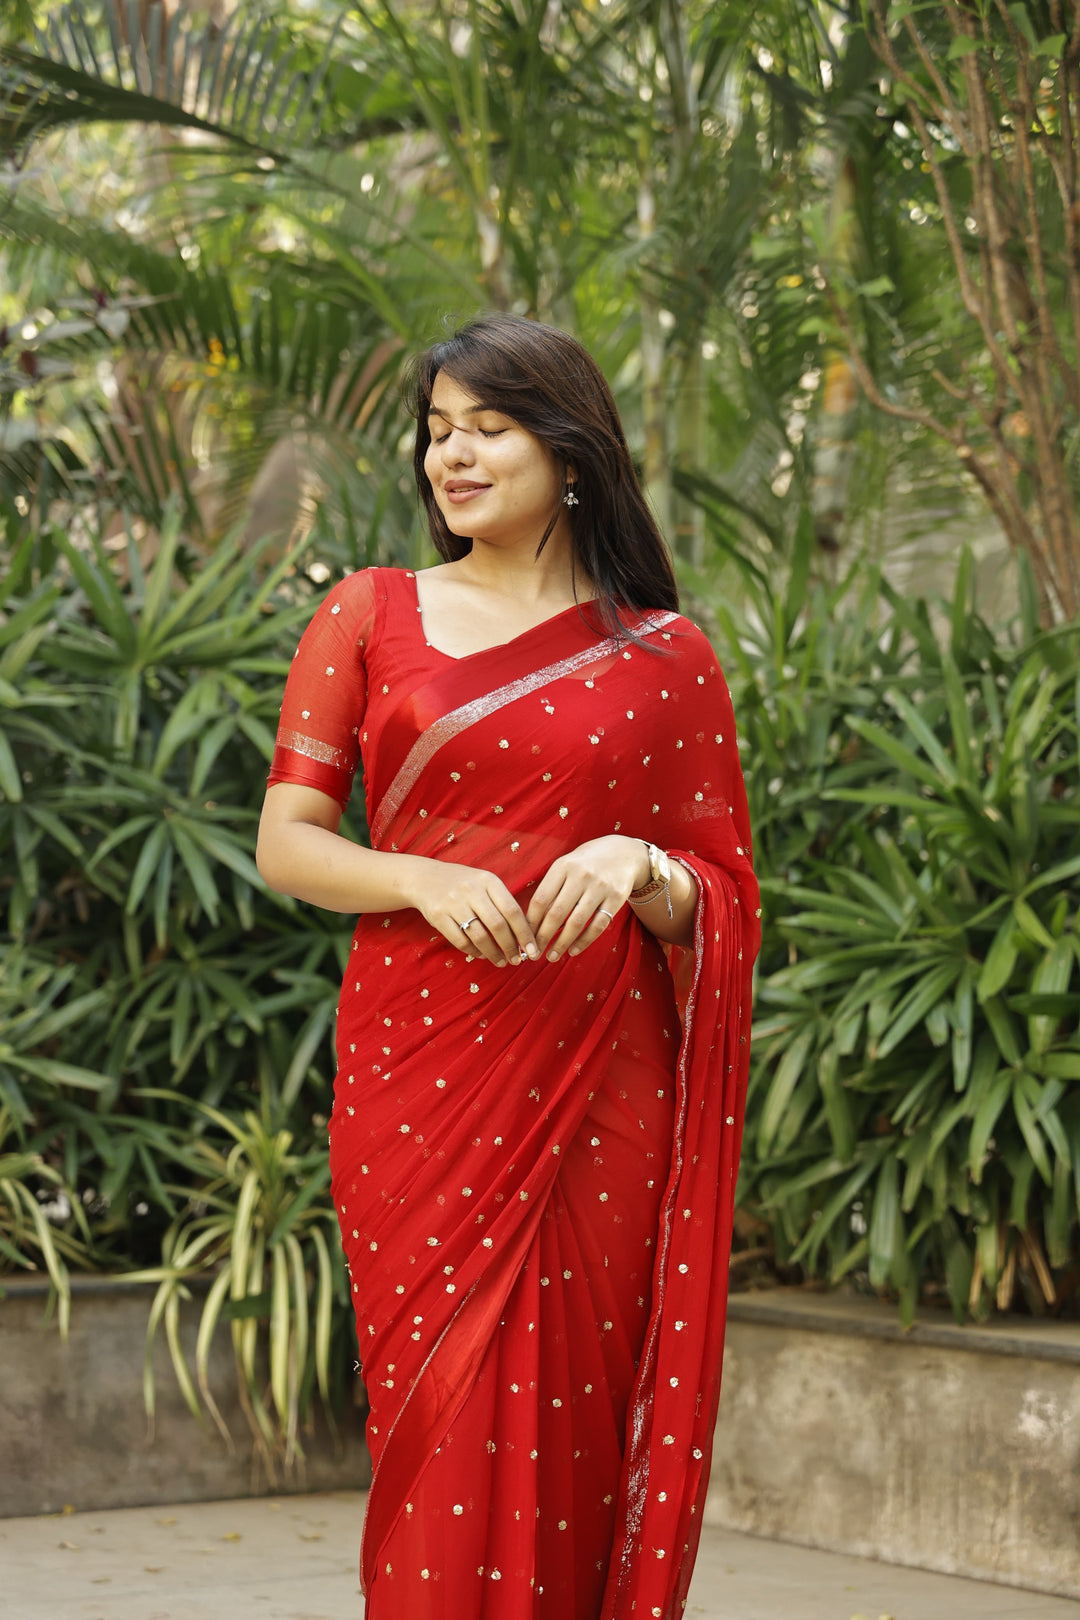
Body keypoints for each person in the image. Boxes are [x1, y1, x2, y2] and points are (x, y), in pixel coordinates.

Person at [256, 311, 760, 1620]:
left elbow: (721, 894)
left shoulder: (667, 657)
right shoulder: (370, 612)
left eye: (489, 428)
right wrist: (418, 877)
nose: (453, 457)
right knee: (441, 1426)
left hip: (602, 1093)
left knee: (576, 1425)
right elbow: (288, 840)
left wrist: (644, 868)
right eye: (438, 432)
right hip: (419, 1081)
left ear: (570, 451)